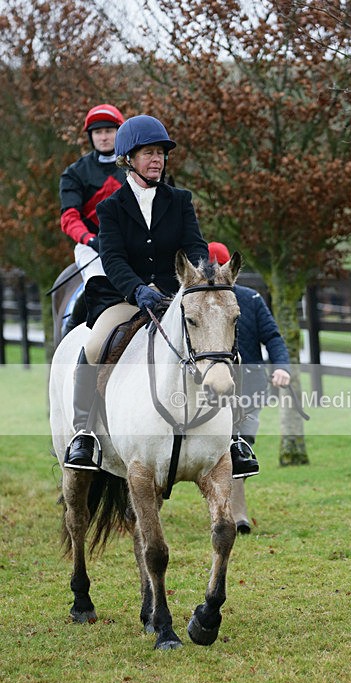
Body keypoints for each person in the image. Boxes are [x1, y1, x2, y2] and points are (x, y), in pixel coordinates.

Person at [64, 114, 209, 470]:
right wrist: (137, 289)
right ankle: (84, 433)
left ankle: (232, 437)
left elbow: (196, 246)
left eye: (160, 153)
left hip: (174, 297)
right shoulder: (110, 208)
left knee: (216, 340)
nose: (157, 159)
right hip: (126, 299)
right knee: (94, 346)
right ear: (129, 159)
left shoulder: (180, 200)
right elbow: (112, 259)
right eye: (148, 153)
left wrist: (199, 277)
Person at [208, 242, 291, 532]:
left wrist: (281, 367)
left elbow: (273, 337)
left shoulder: (251, 299)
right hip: (212, 387)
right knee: (222, 447)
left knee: (240, 445)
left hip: (250, 386)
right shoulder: (194, 303)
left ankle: (235, 513)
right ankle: (233, 514)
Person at [59, 104, 126, 294]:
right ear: (91, 136)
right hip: (92, 247)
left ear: (119, 133)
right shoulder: (74, 173)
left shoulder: (136, 168)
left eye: (109, 131)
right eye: (97, 132)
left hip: (132, 242)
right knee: (98, 284)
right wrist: (91, 240)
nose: (103, 137)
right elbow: (69, 218)